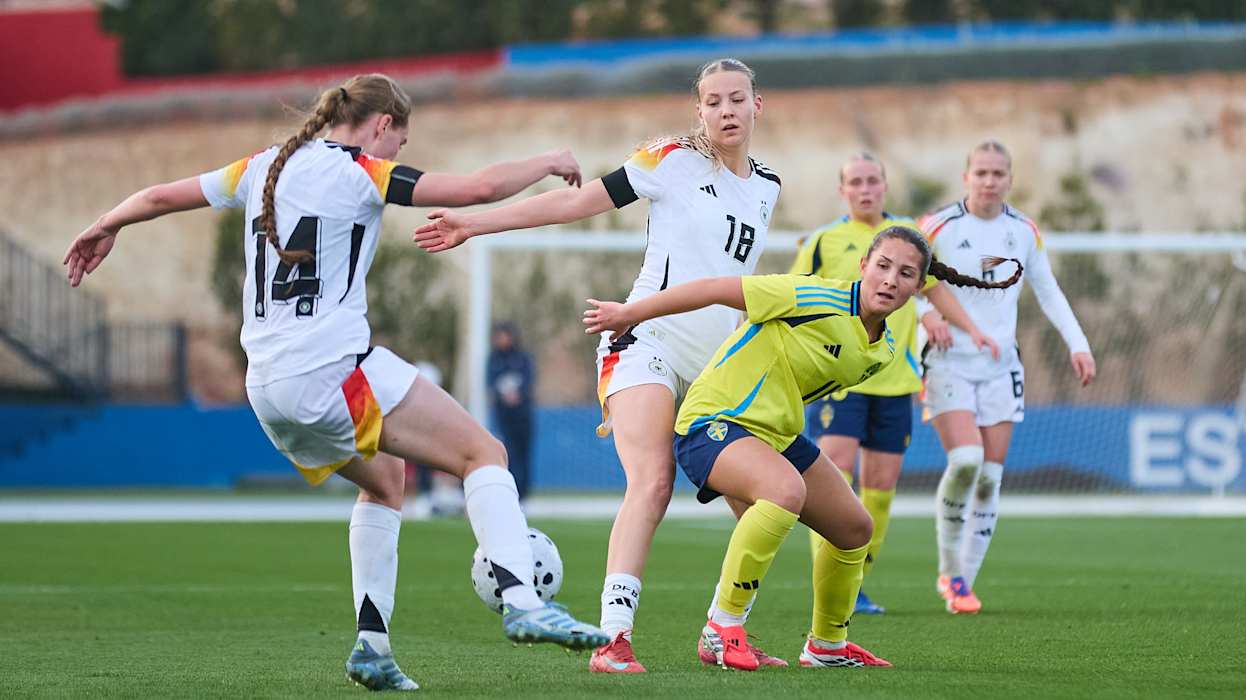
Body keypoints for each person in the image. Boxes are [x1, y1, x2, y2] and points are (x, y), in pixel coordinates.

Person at [62, 73, 608, 691]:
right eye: (400, 142)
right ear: (383, 125)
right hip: (332, 371)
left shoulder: (263, 166)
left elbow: (162, 196)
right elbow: (479, 188)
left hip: (268, 390)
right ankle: (523, 603)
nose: (398, 152)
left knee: (385, 481)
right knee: (484, 453)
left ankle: (372, 648)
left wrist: (106, 223)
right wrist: (549, 160)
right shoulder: (361, 172)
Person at [414, 58, 782, 672]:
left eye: (736, 99)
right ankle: (613, 639)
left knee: (760, 503)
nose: (726, 111)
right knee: (653, 481)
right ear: (698, 111)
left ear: (756, 105)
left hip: (716, 367)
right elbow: (575, 202)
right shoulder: (670, 159)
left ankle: (724, 632)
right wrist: (474, 224)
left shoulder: (768, 185)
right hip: (643, 337)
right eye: (713, 101)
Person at [582, 226, 1021, 670]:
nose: (890, 280)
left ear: (919, 286)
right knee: (785, 490)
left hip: (775, 435)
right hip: (712, 421)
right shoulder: (809, 295)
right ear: (863, 266)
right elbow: (713, 288)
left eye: (906, 274)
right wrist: (630, 313)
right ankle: (721, 628)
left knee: (855, 529)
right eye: (883, 266)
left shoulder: (883, 351)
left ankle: (827, 645)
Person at [790, 153, 998, 615]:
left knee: (880, 489)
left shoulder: (908, 236)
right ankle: (828, 581)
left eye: (873, 181)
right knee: (833, 478)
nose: (865, 189)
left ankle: (855, 584)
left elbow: (934, 288)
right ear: (843, 190)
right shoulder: (824, 241)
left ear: (885, 186)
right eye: (855, 182)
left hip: (893, 379)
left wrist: (969, 328)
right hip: (837, 379)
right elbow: (794, 294)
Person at [918, 140, 1095, 615]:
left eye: (998, 173)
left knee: (989, 478)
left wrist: (1078, 344)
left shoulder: (1024, 231)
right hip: (949, 361)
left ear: (1010, 180)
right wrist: (924, 315)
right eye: (981, 172)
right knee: (967, 461)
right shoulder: (939, 226)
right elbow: (904, 278)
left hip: (1001, 367)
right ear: (966, 177)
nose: (989, 181)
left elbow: (1049, 292)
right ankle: (949, 569)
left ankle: (963, 583)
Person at [486, 322, 536, 501]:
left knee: (524, 452)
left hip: (522, 414)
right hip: (504, 415)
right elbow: (490, 383)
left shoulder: (523, 358)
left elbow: (529, 380)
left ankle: (524, 493)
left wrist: (519, 394)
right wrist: (503, 396)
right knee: (508, 452)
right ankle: (511, 489)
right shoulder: (494, 360)